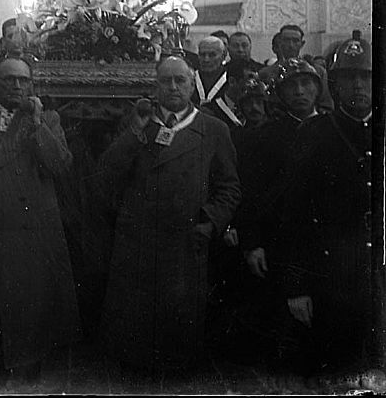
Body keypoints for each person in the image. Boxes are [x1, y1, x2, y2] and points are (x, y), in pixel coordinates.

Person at [98, 55, 241, 380]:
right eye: (166, 81)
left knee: (177, 321)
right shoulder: (136, 122)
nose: (173, 87)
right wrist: (134, 132)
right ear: (155, 86)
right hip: (138, 240)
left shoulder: (213, 129)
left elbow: (229, 187)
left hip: (185, 241)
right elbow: (108, 173)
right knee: (136, 322)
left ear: (192, 85)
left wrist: (209, 223)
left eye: (181, 81)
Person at [0, 57, 79, 388]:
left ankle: (30, 380)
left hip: (35, 236)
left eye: (23, 80)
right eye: (9, 80)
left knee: (32, 321)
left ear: (31, 84)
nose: (17, 86)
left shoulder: (47, 119)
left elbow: (61, 166)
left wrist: (36, 124)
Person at [280, 32, 380, 375]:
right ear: (334, 85)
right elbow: (294, 214)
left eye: (366, 77)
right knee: (338, 371)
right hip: (333, 277)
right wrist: (297, 287)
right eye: (349, 78)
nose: (358, 86)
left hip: (379, 273)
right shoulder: (315, 133)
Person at [229, 59, 324, 366]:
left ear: (318, 89)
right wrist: (252, 243)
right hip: (279, 240)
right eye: (291, 86)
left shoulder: (332, 128)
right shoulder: (267, 136)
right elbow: (251, 194)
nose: (300, 92)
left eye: (306, 84)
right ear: (280, 94)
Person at [258, 24, 333, 112]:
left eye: (295, 41)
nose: (291, 45)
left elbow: (325, 104)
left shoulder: (318, 71)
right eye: (286, 40)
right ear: (280, 42)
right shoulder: (266, 73)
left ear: (302, 44)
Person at [191, 36, 237, 129]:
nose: (206, 59)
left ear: (223, 56)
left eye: (212, 55)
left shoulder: (231, 82)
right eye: (202, 55)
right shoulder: (189, 80)